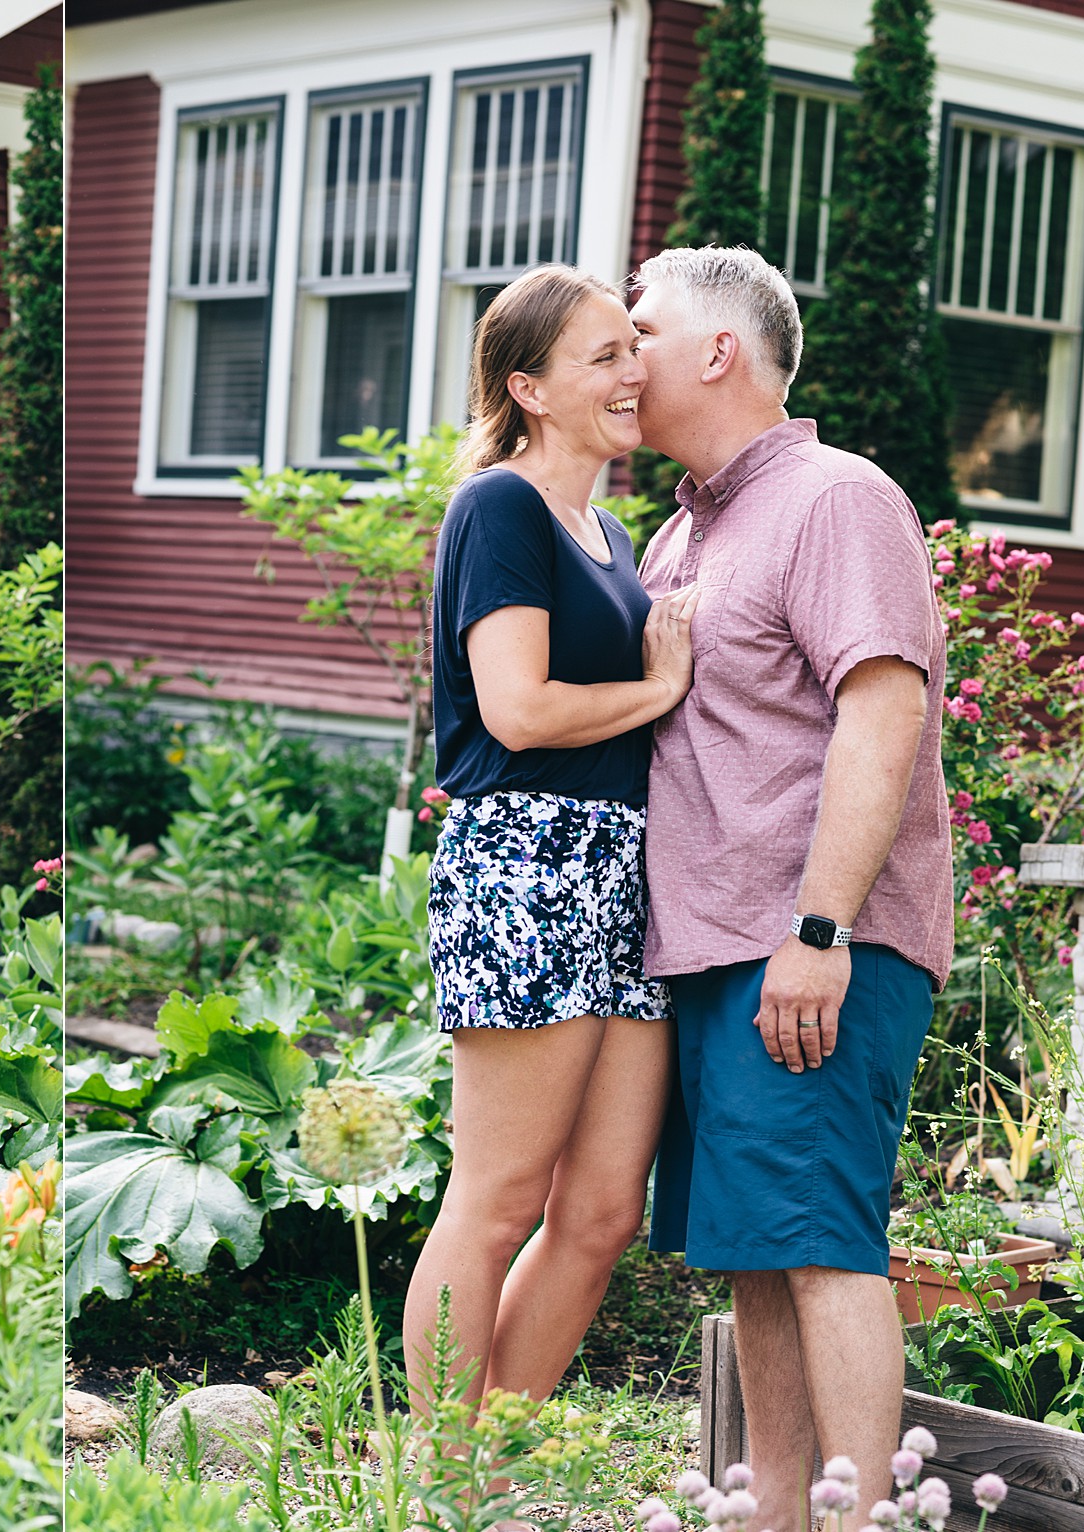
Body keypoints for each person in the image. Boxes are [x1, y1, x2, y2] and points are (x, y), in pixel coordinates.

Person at [630, 245, 950, 1527]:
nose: (619, 346)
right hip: (708, 950)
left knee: (823, 1246)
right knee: (755, 1260)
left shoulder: (835, 497)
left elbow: (883, 713)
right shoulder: (681, 527)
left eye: (639, 326)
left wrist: (818, 929)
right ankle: (776, 1517)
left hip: (813, 945)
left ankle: (858, 1518)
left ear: (718, 350)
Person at [402, 264, 699, 1413]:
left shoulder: (608, 529)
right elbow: (515, 709)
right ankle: (434, 1479)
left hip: (622, 865)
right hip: (525, 863)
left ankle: (493, 1449)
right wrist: (658, 686)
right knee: (498, 1191)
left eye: (635, 346)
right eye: (604, 355)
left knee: (600, 1210)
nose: (634, 372)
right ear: (526, 386)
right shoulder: (498, 507)